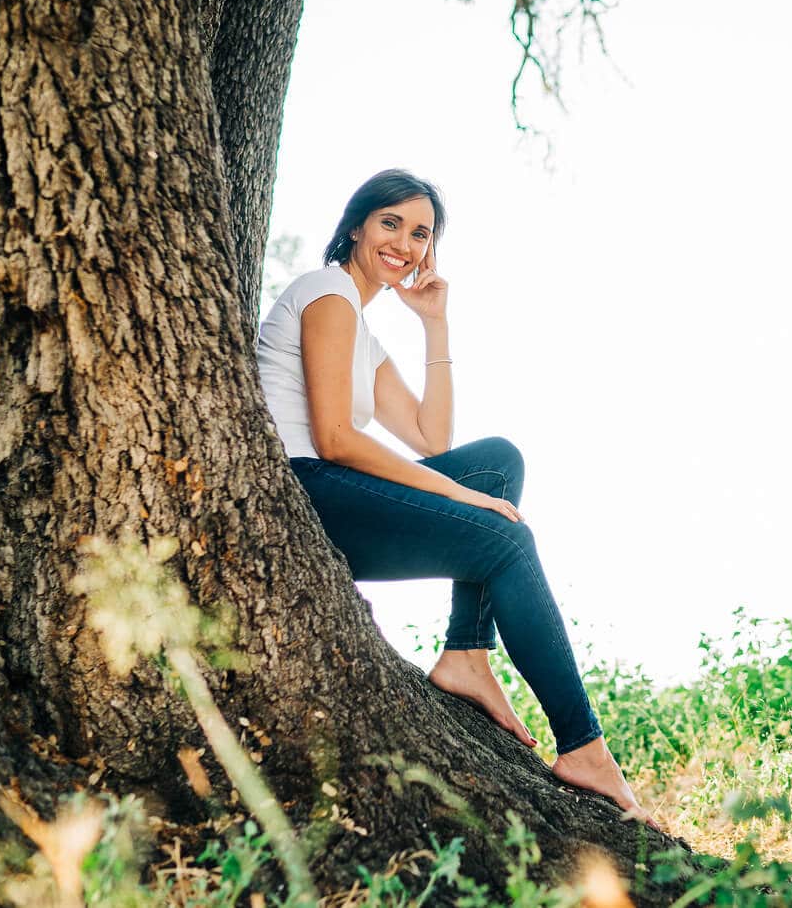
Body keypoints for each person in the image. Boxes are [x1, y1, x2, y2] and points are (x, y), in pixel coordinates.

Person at [256, 168, 653, 824]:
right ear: (355, 226)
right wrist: (455, 495)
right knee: (506, 539)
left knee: (497, 464)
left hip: (332, 489)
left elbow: (429, 435)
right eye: (390, 224)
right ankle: (583, 746)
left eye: (421, 234)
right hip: (308, 492)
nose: (404, 244)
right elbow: (334, 438)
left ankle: (467, 652)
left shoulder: (360, 328)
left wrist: (434, 324)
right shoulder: (326, 293)